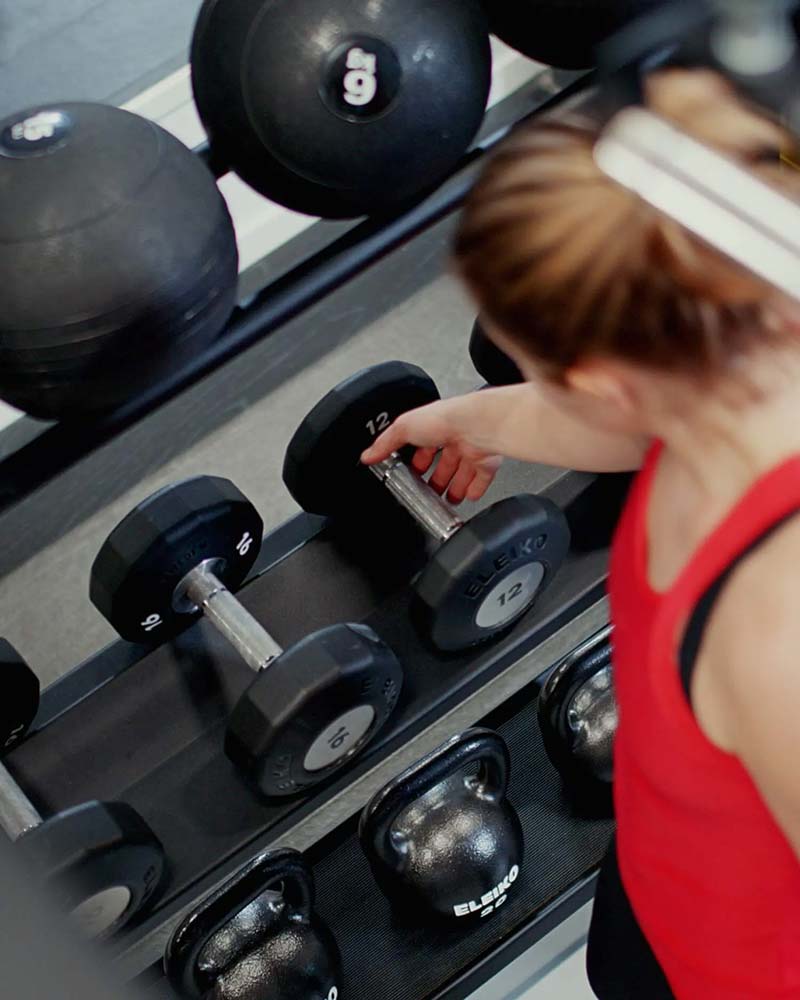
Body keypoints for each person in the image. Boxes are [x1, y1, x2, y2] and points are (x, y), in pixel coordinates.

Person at [361, 69, 800, 999]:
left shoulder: (778, 632)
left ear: (602, 374)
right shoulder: (742, 355)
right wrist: (477, 419)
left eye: (537, 364)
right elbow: (625, 425)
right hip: (670, 863)